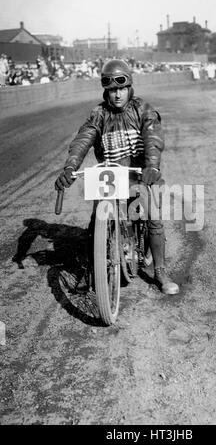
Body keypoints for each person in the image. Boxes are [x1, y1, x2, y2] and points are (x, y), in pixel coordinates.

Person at [55, 59, 179, 295]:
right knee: (96, 220)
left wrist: (152, 166)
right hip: (110, 176)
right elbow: (83, 140)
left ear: (129, 86)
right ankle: (93, 269)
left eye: (121, 88)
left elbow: (153, 139)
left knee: (153, 216)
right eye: (112, 90)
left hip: (141, 175)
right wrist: (70, 167)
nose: (117, 95)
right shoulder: (98, 114)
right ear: (106, 91)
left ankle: (160, 270)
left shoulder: (143, 109)